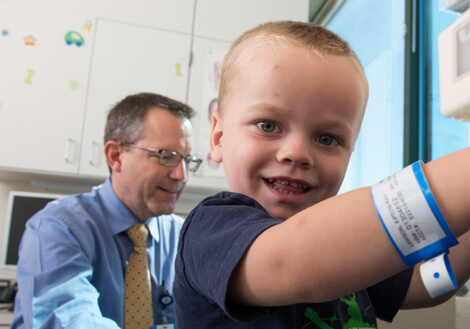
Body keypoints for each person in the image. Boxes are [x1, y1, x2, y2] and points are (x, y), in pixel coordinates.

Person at [173, 21, 470, 328]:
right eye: (268, 125)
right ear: (218, 138)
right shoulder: (210, 231)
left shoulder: (348, 249)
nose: (297, 153)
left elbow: (426, 282)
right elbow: (294, 263)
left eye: (327, 139)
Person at [11, 92, 202, 328]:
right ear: (115, 156)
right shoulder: (56, 228)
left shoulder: (183, 236)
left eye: (187, 159)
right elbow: (72, 322)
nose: (181, 175)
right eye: (166, 156)